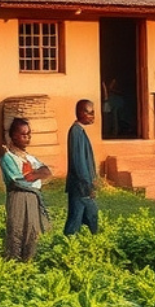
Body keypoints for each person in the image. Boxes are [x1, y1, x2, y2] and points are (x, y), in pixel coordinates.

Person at [0, 118, 51, 261]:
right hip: (18, 197)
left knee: (33, 232)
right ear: (13, 136)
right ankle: (14, 266)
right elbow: (19, 180)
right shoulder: (8, 157)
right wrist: (35, 174)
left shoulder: (30, 158)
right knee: (17, 231)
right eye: (23, 135)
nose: (27, 138)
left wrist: (34, 174)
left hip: (33, 198)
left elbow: (46, 171)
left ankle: (29, 264)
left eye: (29, 134)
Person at [64, 99, 99, 237]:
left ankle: (86, 245)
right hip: (80, 185)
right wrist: (87, 184)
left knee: (86, 217)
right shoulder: (76, 132)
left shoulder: (80, 131)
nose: (93, 116)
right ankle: (68, 247)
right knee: (78, 218)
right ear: (80, 113)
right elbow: (79, 163)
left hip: (83, 184)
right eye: (90, 113)